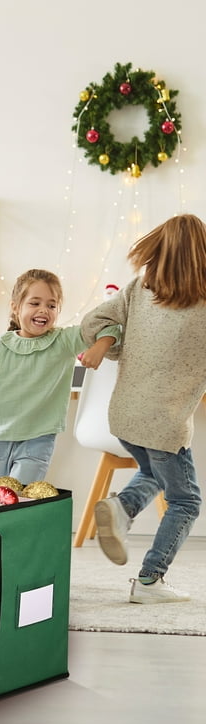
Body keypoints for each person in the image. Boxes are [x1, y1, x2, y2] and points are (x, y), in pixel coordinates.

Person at [82, 214, 206, 604]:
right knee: (186, 500)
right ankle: (150, 581)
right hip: (164, 423)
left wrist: (113, 345)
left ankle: (122, 506)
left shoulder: (139, 289)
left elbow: (93, 322)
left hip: (124, 417)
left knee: (154, 470)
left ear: (159, 251)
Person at [0, 268, 119, 484]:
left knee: (19, 498)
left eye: (51, 305)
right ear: (15, 306)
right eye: (35, 303)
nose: (43, 310)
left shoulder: (64, 340)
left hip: (38, 439)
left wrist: (101, 346)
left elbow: (110, 326)